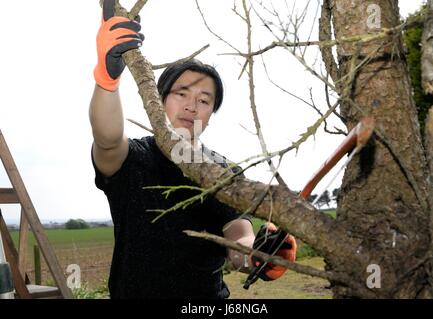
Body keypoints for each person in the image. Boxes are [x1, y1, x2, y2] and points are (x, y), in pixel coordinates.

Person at [89, 0, 296, 299]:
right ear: (158, 100)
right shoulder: (134, 158)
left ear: (212, 111)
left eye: (204, 100)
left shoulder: (225, 172)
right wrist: (107, 79)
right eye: (181, 93)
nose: (191, 106)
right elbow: (107, 140)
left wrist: (258, 254)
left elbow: (238, 236)